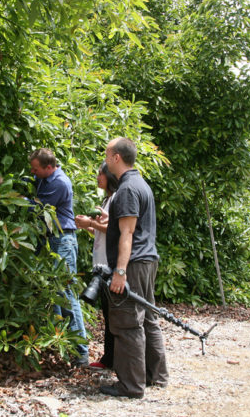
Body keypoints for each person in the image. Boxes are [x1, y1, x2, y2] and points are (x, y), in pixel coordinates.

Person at [100, 137, 168, 398]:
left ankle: (131, 385)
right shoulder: (141, 184)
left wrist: (119, 271)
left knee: (127, 323)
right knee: (148, 318)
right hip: (147, 260)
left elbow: (127, 233)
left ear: (117, 157)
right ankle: (156, 376)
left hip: (134, 264)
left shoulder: (127, 189)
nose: (105, 160)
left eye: (107, 155)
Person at [29, 148, 89, 366]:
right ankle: (64, 347)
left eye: (36, 169)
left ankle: (81, 352)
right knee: (54, 293)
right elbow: (32, 182)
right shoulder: (45, 177)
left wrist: (13, 197)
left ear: (48, 167)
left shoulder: (59, 183)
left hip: (63, 241)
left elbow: (35, 207)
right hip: (52, 239)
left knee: (65, 293)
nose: (33, 172)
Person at [74, 162, 119, 370]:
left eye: (100, 174)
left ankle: (112, 358)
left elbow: (115, 229)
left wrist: (91, 223)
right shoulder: (107, 199)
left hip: (110, 263)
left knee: (113, 313)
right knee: (107, 313)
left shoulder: (117, 198)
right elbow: (102, 231)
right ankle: (109, 357)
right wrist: (88, 226)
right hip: (101, 261)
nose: (97, 177)